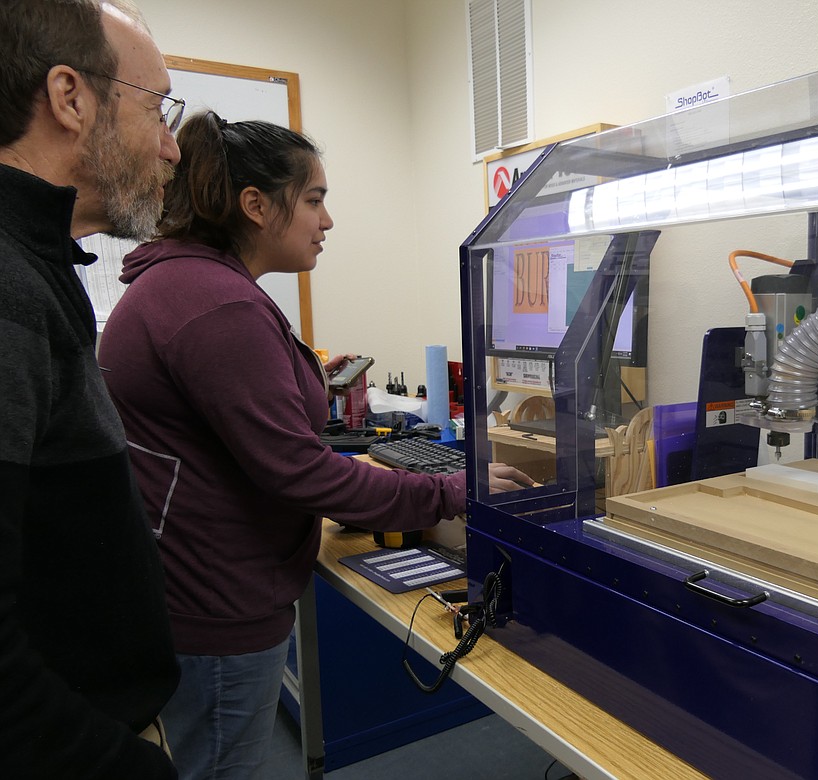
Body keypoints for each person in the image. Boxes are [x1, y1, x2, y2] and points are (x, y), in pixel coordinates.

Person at [98, 110, 533, 780]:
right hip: (219, 607)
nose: (326, 221)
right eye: (314, 199)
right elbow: (301, 472)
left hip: (184, 587)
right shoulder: (218, 305)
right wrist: (452, 490)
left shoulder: (181, 284)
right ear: (255, 205)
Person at [0, 1, 183, 777]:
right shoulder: (8, 284)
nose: (173, 149)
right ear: (70, 98)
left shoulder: (45, 260)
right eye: (158, 110)